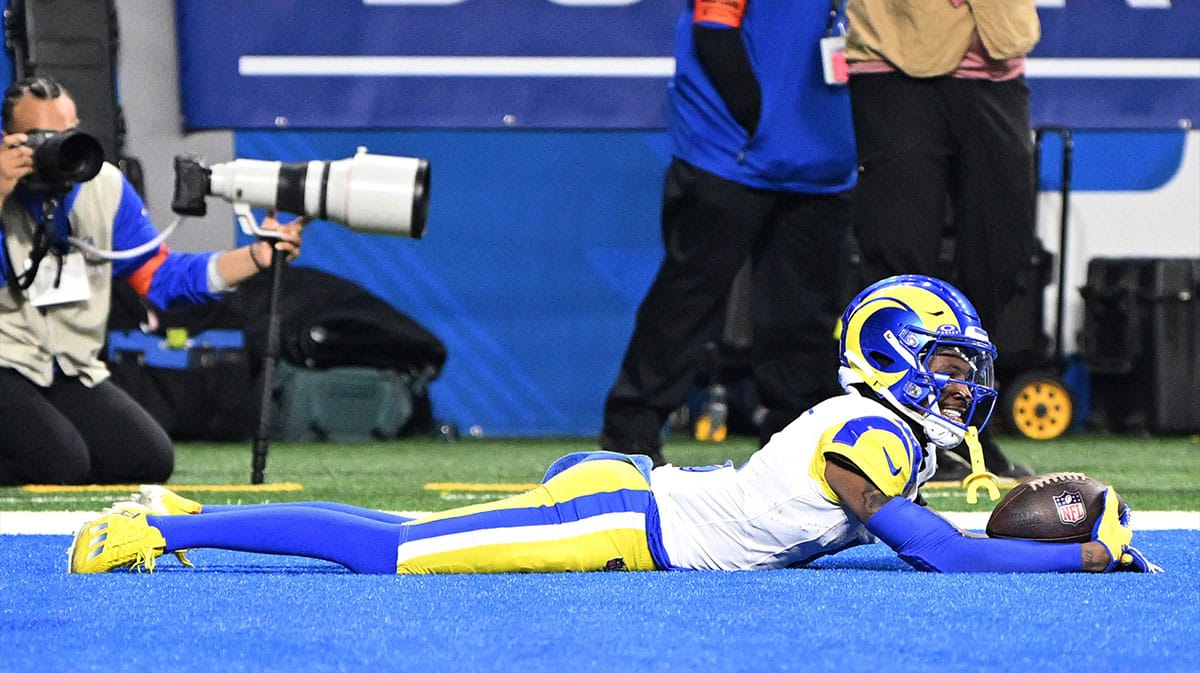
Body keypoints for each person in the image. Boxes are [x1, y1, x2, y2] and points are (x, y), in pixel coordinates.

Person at [67, 275, 1159, 575]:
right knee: (394, 550)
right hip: (625, 516)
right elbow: (935, 554)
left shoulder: (881, 428)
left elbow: (935, 538)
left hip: (644, 489)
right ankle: (170, 523)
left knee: (403, 543)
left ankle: (177, 519)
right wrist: (1080, 559)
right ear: (891, 357)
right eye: (950, 365)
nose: (966, 386)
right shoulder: (868, 433)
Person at [0, 76, 304, 486]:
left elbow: (162, 279)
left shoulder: (104, 185)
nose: (57, 148)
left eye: (68, 133)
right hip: (4, 364)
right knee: (61, 464)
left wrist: (254, 256)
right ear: (9, 139)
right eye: (40, 138)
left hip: (70, 367)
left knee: (146, 460)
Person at [599, 0, 857, 465]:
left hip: (820, 156)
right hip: (729, 152)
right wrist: (757, 115)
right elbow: (714, 30)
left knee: (805, 313)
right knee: (690, 296)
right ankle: (630, 432)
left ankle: (793, 443)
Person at [843, 0, 1042, 481]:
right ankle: (897, 427)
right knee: (898, 251)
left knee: (1001, 251)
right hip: (895, 58)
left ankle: (967, 426)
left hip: (997, 63)